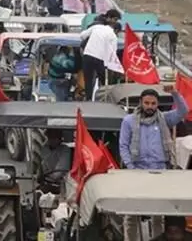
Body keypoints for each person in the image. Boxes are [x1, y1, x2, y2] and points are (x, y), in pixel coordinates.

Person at [120, 87, 189, 241]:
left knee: (159, 214)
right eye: (147, 103)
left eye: (153, 103)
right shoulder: (129, 121)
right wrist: (131, 168)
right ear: (141, 103)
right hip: (137, 171)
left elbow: (184, 110)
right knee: (132, 214)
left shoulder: (164, 119)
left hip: (160, 172)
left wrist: (174, 93)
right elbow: (123, 146)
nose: (150, 106)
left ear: (157, 104)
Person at [79, 20, 121, 100]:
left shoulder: (96, 27)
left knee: (88, 80)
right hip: (100, 59)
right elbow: (113, 53)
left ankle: (89, 99)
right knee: (104, 81)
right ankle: (104, 97)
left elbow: (82, 36)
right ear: (116, 30)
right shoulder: (113, 36)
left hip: (87, 55)